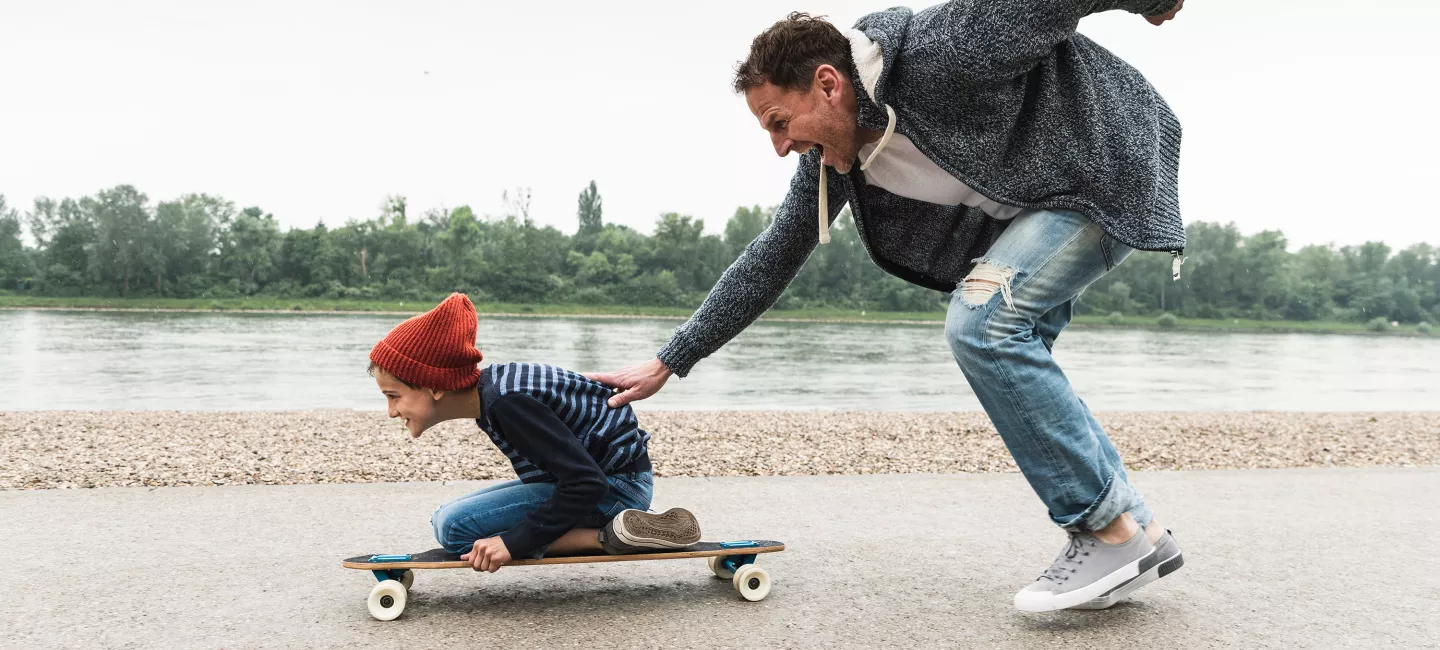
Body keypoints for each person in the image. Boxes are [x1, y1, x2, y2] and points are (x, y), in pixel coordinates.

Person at [587, 2, 1187, 611]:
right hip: (1041, 206)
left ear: (828, 84)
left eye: (778, 122)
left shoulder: (934, 56)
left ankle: (1104, 533)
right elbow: (772, 258)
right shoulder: (834, 164)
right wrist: (670, 360)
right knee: (1013, 353)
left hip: (1108, 165)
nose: (779, 146)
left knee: (984, 326)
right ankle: (1140, 532)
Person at [369, 293, 702, 573]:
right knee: (444, 517)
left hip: (617, 488)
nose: (391, 411)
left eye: (394, 396)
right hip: (614, 478)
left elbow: (587, 483)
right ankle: (619, 527)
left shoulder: (505, 404)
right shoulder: (496, 390)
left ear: (432, 386)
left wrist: (512, 543)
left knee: (455, 529)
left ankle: (611, 534)